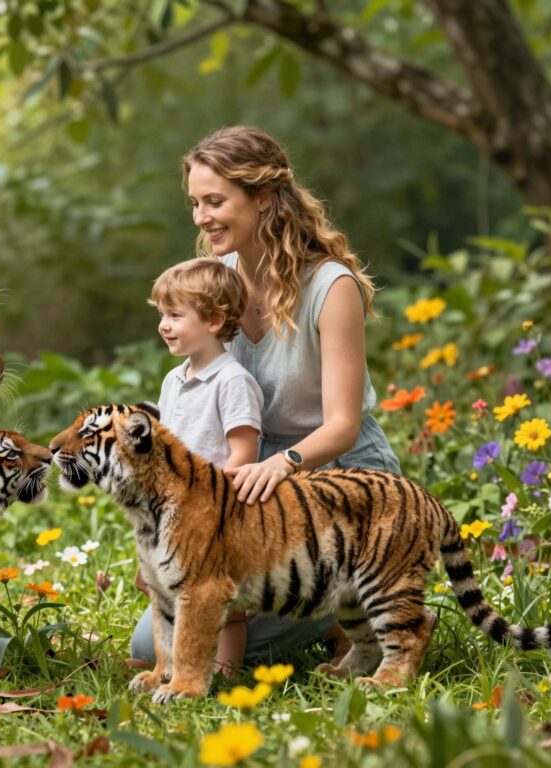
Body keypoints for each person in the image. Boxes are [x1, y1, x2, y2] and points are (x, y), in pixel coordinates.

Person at [130, 125, 401, 670]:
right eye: (195, 203)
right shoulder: (215, 281)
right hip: (247, 486)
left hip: (334, 484)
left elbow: (343, 425)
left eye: (215, 201)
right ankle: (330, 613)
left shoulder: (330, 286)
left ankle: (348, 598)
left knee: (220, 637)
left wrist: (280, 465)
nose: (201, 218)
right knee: (150, 644)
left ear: (263, 198)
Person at [138, 258, 264, 674]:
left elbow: (243, 451)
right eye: (162, 315)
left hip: (216, 510)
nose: (164, 325)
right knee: (164, 588)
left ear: (214, 320)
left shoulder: (232, 380)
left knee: (226, 601)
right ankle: (173, 663)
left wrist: (217, 504)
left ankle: (226, 669)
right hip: (173, 509)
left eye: (175, 315)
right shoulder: (174, 380)